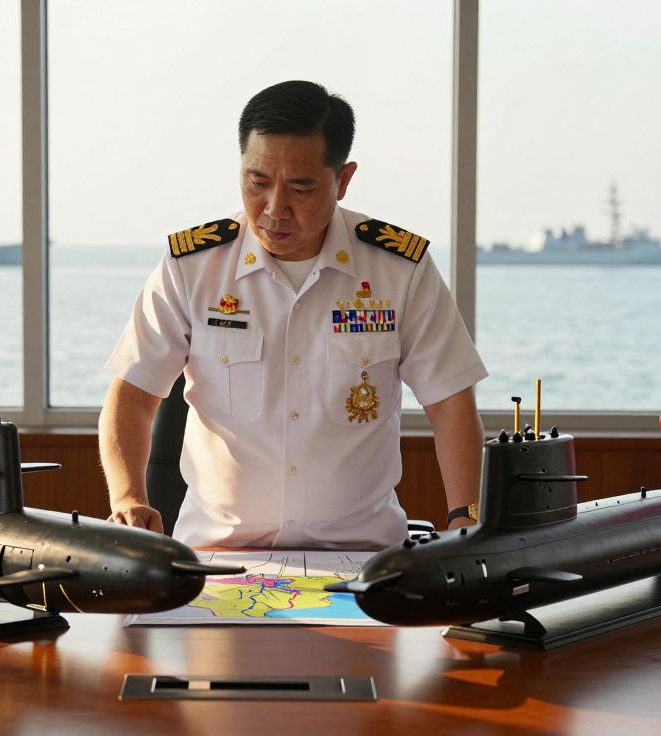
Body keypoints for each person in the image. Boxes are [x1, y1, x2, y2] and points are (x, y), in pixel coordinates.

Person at [99, 80, 487, 550]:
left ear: (342, 181)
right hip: (217, 557)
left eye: (301, 188)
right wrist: (127, 497)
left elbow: (449, 401)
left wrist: (466, 519)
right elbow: (133, 394)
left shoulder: (398, 269)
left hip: (363, 558)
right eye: (257, 183)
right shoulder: (192, 268)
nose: (274, 210)